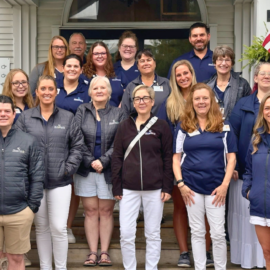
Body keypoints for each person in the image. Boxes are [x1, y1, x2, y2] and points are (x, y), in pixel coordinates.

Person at [14, 75, 83, 270]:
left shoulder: (67, 117)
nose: (46, 92)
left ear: (56, 92)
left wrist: (68, 168)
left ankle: (60, 268)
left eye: (50, 89)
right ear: (36, 92)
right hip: (34, 183)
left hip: (60, 182)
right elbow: (17, 146)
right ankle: (45, 267)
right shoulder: (26, 118)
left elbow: (77, 146)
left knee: (59, 228)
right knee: (42, 229)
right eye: (42, 88)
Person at [173, 83, 237, 270]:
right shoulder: (183, 126)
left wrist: (225, 185)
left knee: (217, 233)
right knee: (198, 232)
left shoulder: (224, 125)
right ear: (192, 102)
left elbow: (231, 158)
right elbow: (176, 158)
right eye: (197, 99)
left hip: (217, 189)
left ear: (212, 101)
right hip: (191, 188)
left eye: (205, 98)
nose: (201, 102)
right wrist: (181, 184)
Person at [157, 60, 214, 267]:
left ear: (192, 73)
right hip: (178, 162)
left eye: (185, 73)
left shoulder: (203, 96)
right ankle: (184, 252)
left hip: (204, 162)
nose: (183, 78)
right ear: (174, 78)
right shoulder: (169, 102)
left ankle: (206, 251)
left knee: (206, 208)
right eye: (178, 75)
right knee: (181, 206)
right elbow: (162, 134)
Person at [112, 85, 174, 270]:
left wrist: (167, 187)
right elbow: (116, 157)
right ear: (133, 102)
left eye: (145, 98)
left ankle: (151, 267)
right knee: (126, 233)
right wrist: (116, 186)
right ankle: (130, 267)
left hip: (154, 189)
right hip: (128, 189)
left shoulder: (162, 126)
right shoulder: (124, 127)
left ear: (152, 101)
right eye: (137, 98)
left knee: (153, 233)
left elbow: (168, 157)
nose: (141, 102)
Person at [74, 76, 126, 266]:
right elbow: (76, 137)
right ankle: (92, 252)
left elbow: (120, 141)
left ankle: (104, 252)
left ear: (109, 92)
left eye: (103, 87)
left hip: (109, 169)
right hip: (86, 169)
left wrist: (103, 161)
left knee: (105, 211)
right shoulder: (82, 110)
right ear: (90, 92)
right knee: (90, 211)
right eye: (95, 87)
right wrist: (90, 161)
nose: (99, 90)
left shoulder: (118, 113)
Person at [228, 62, 270, 268]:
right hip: (245, 175)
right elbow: (232, 134)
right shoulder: (244, 104)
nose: (267, 77)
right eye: (263, 73)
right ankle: (250, 259)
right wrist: (232, 163)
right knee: (247, 221)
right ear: (255, 78)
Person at [0, 95, 44, 270]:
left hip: (18, 212)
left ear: (13, 114)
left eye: (6, 111)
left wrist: (31, 207)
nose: (2, 114)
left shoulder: (28, 141)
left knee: (16, 259)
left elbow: (37, 175)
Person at [242, 92, 270, 270]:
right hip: (260, 204)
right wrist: (248, 191)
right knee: (267, 251)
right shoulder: (256, 139)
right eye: (267, 108)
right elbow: (248, 170)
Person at [206, 45, 251, 120]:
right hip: (211, 129)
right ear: (214, 63)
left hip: (235, 130)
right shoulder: (206, 86)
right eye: (220, 59)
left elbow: (248, 110)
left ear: (232, 63)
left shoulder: (242, 84)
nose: (223, 63)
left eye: (227, 60)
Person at [121, 49, 171, 116]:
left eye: (149, 60)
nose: (146, 63)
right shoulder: (131, 86)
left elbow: (175, 108)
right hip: (138, 126)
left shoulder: (166, 83)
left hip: (163, 126)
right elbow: (124, 112)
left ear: (155, 63)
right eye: (142, 61)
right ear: (138, 66)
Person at [83, 41, 124, 107]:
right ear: (91, 56)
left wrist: (121, 106)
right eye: (96, 54)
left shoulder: (117, 74)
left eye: (103, 53)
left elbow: (128, 94)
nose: (100, 56)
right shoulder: (84, 76)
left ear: (107, 55)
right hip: (90, 115)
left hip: (115, 115)